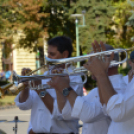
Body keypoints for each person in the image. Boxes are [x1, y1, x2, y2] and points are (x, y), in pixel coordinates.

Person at [47, 43, 127, 134]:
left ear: (109, 60)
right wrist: (59, 88)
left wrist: (65, 88)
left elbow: (87, 115)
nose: (87, 65)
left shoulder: (118, 87)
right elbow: (67, 113)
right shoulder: (96, 90)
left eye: (92, 60)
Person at [14, 36, 83, 134]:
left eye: (52, 54)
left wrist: (40, 90)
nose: (48, 58)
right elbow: (24, 105)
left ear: (65, 54)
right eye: (48, 54)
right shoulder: (45, 75)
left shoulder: (74, 79)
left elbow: (61, 113)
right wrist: (25, 86)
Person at [83, 41, 134, 134]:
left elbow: (117, 111)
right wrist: (100, 75)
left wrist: (100, 73)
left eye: (93, 61)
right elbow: (106, 106)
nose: (89, 65)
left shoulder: (119, 85)